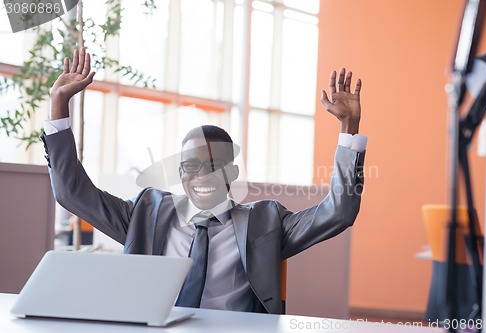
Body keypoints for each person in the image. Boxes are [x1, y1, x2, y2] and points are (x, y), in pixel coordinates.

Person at [41, 47, 367, 314]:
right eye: (190, 166)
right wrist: (59, 105)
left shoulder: (265, 221)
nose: (201, 176)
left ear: (232, 174)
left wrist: (348, 129)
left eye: (213, 166)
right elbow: (72, 194)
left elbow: (338, 212)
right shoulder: (146, 213)